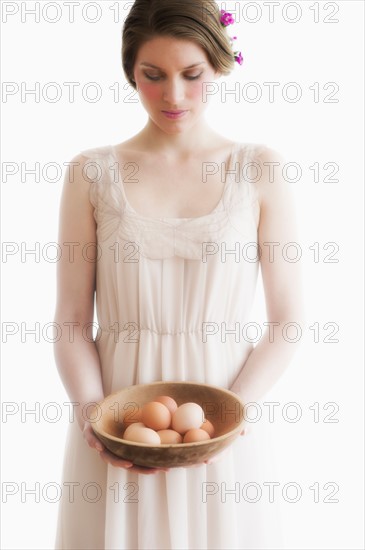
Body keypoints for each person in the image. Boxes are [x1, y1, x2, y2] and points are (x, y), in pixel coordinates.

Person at [53, 0, 304, 548]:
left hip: (227, 418)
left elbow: (287, 324)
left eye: (191, 75)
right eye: (153, 75)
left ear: (218, 65)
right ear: (129, 72)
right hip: (117, 420)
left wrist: (231, 418)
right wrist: (93, 415)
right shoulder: (91, 173)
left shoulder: (259, 169)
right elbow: (71, 322)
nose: (173, 95)